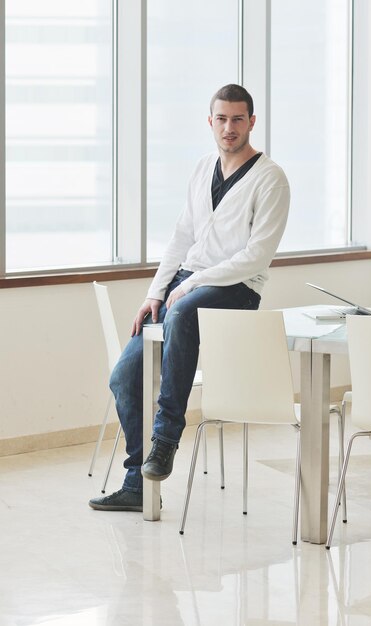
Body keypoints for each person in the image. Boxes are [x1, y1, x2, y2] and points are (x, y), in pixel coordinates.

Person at [89, 84, 290, 512]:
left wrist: (190, 286)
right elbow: (181, 238)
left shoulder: (271, 178)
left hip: (236, 289)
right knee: (125, 377)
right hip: (186, 285)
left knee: (181, 313)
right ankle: (137, 482)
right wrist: (154, 292)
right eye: (222, 119)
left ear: (252, 122)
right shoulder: (202, 169)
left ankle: (165, 441)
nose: (230, 127)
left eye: (238, 119)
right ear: (210, 121)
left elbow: (256, 255)